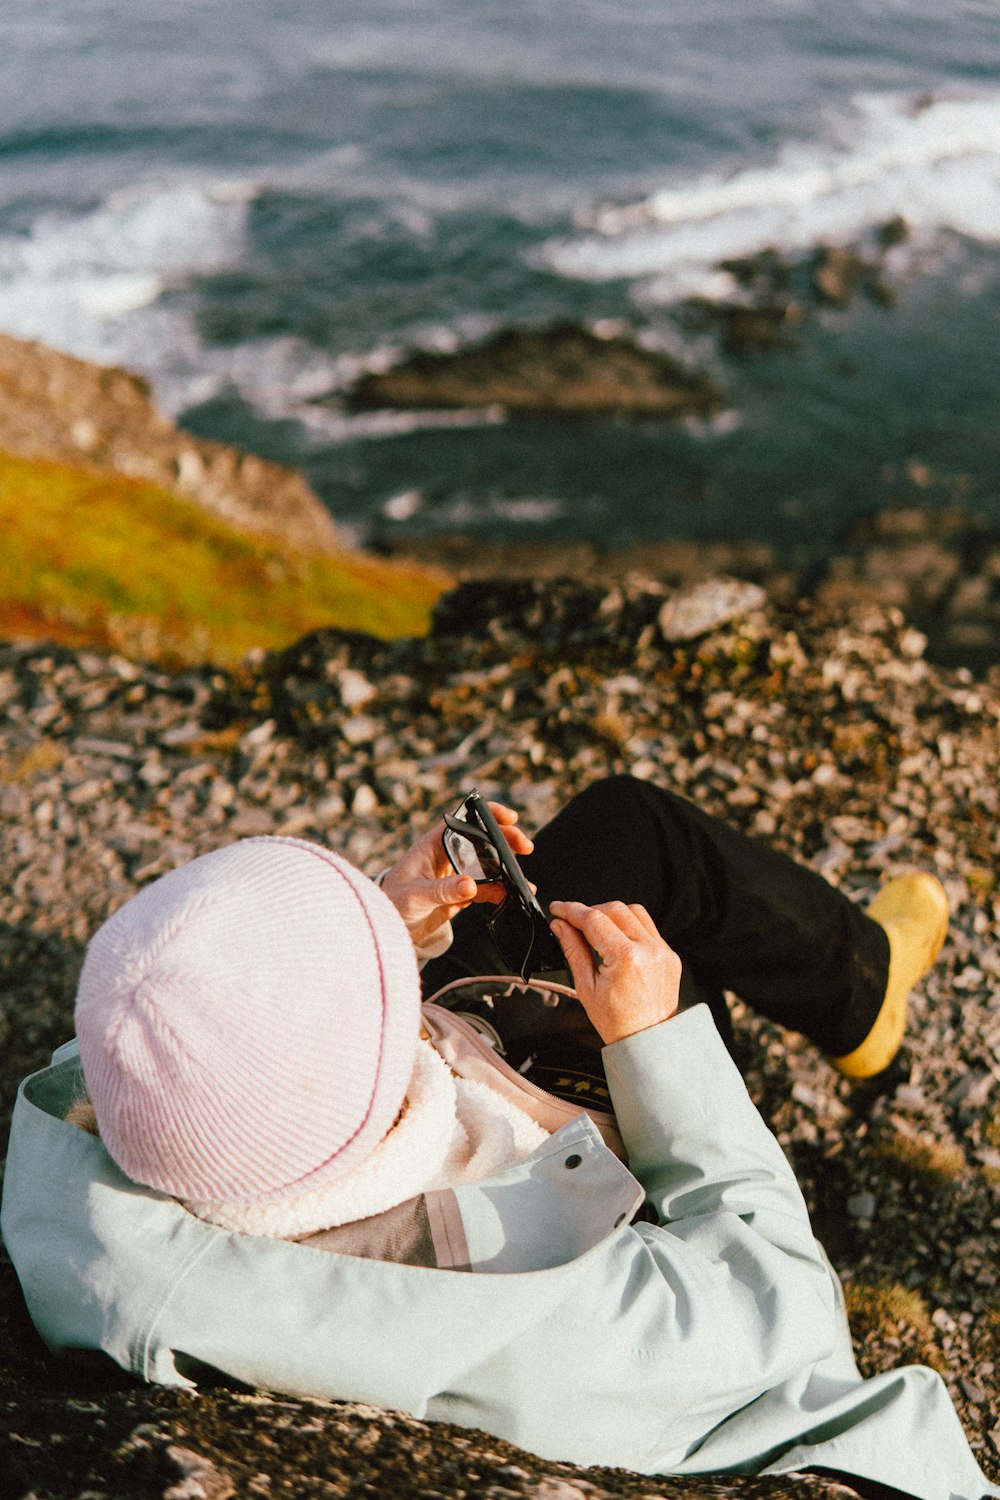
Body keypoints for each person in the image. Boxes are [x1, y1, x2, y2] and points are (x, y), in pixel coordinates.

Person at [1, 776, 995, 1500]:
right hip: (570, 1183)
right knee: (636, 892)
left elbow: (183, 1034)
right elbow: (782, 1308)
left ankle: (859, 988)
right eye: (382, 982)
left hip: (427, 1115)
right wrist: (655, 1045)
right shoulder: (526, 1305)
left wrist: (385, 923)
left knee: (615, 829)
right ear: (386, 1058)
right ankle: (864, 995)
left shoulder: (103, 1159)